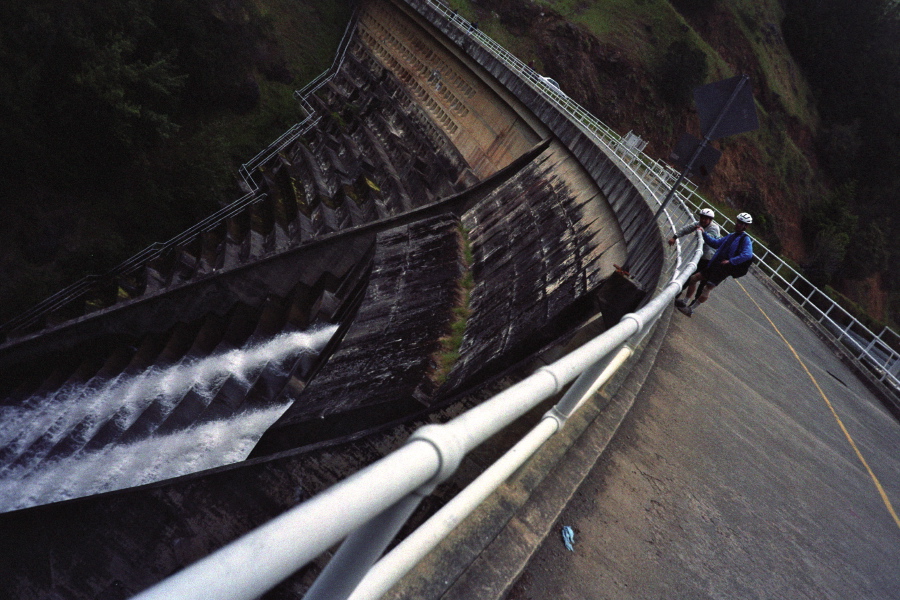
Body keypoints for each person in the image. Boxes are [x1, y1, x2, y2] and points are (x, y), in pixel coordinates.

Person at [676, 212, 754, 317]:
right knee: (694, 278)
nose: (738, 224)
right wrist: (703, 233)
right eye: (738, 222)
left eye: (741, 223)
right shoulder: (731, 235)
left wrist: (731, 261)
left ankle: (691, 309)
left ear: (746, 226)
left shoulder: (745, 240)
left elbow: (748, 254)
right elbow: (715, 243)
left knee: (707, 288)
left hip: (723, 269)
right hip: (714, 264)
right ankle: (685, 302)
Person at [669, 208, 720, 303]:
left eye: (706, 219)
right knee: (690, 276)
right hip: (701, 256)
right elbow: (687, 229)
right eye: (702, 218)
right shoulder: (699, 223)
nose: (703, 220)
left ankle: (691, 303)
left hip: (710, 258)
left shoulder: (714, 228)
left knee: (702, 282)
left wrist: (703, 232)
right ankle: (676, 296)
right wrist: (675, 237)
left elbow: (710, 240)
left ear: (710, 220)